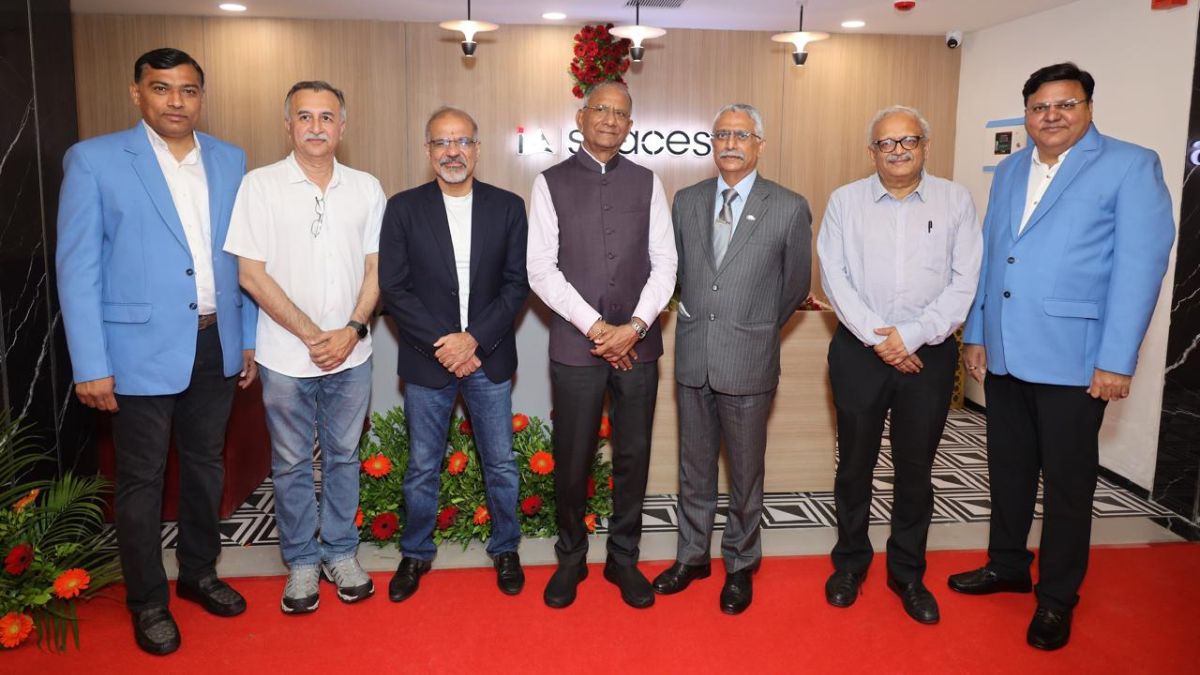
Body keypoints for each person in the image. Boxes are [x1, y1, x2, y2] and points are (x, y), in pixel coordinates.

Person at [949, 63, 1175, 650]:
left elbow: (1139, 269)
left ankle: (1056, 597)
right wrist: (977, 331)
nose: (1051, 116)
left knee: (1068, 486)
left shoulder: (1130, 165)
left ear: (1088, 107)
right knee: (1008, 471)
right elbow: (994, 255)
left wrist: (1117, 359)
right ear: (1026, 114)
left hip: (1076, 359)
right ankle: (1006, 565)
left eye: (1065, 104)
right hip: (1005, 354)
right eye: (1039, 107)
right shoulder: (1010, 169)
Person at [56, 47, 256, 656]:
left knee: (205, 467)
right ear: (137, 93)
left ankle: (198, 573)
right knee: (141, 480)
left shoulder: (229, 158)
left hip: (215, 341)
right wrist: (91, 363)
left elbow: (243, 256)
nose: (176, 101)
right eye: (162, 88)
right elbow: (77, 268)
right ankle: (147, 600)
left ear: (202, 97)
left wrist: (246, 338)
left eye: (188, 90)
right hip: (136, 349)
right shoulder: (94, 160)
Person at [224, 81, 385, 615]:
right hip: (285, 356)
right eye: (305, 116)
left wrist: (351, 329)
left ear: (343, 126)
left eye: (326, 117)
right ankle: (300, 560)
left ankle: (340, 552)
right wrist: (313, 335)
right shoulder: (260, 185)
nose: (316, 126)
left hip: (352, 354)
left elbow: (377, 268)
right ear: (288, 124)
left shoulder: (366, 187)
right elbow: (250, 273)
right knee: (291, 461)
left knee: (344, 456)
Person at [817, 106, 982, 625]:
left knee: (915, 470)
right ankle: (850, 563)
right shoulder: (845, 201)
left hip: (928, 354)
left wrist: (910, 336)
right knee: (854, 466)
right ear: (872, 152)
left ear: (924, 146)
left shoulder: (956, 200)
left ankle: (907, 572)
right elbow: (835, 277)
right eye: (885, 143)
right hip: (858, 351)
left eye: (907, 140)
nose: (897, 151)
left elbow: (964, 281)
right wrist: (882, 339)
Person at [651, 103, 811, 615]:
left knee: (745, 473)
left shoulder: (788, 206)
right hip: (693, 356)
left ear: (760, 144)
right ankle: (692, 556)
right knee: (693, 467)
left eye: (742, 135)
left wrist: (754, 325)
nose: (730, 144)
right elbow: (674, 274)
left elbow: (795, 286)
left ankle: (741, 564)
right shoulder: (687, 200)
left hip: (748, 358)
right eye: (722, 134)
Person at [527, 81, 678, 609]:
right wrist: (597, 328)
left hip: (640, 345)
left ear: (630, 125)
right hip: (577, 347)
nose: (610, 120)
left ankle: (623, 558)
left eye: (621, 113)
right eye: (601, 110)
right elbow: (540, 269)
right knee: (573, 458)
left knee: (633, 455)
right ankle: (570, 557)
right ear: (581, 116)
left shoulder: (648, 182)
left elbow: (666, 263)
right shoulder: (549, 183)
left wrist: (633, 326)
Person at [379, 107, 530, 601]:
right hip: (428, 359)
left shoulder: (507, 207)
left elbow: (516, 284)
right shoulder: (403, 208)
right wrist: (447, 344)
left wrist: (474, 340)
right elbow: (394, 287)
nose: (452, 152)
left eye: (462, 141)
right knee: (423, 465)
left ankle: (505, 548)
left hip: (489, 357)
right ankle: (416, 552)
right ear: (428, 151)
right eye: (442, 142)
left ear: (477, 149)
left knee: (500, 463)